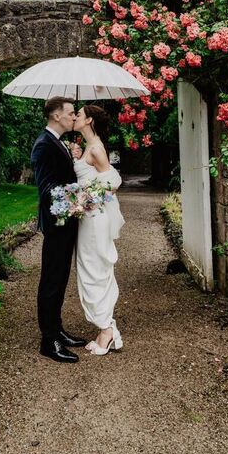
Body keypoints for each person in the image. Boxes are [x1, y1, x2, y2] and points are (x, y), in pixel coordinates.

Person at [30, 96, 88, 363]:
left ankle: (58, 330)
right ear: (56, 115)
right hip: (56, 223)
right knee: (51, 280)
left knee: (61, 277)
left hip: (67, 222)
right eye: (70, 112)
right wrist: (79, 197)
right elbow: (46, 190)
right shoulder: (43, 145)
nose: (73, 116)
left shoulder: (59, 142)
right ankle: (48, 340)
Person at [71, 104, 125, 355]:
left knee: (95, 268)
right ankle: (106, 326)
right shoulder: (89, 149)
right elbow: (92, 177)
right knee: (89, 266)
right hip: (88, 217)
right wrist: (77, 157)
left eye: (78, 114)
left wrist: (85, 200)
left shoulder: (97, 149)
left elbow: (113, 182)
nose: (75, 117)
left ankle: (106, 331)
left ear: (89, 120)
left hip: (94, 218)